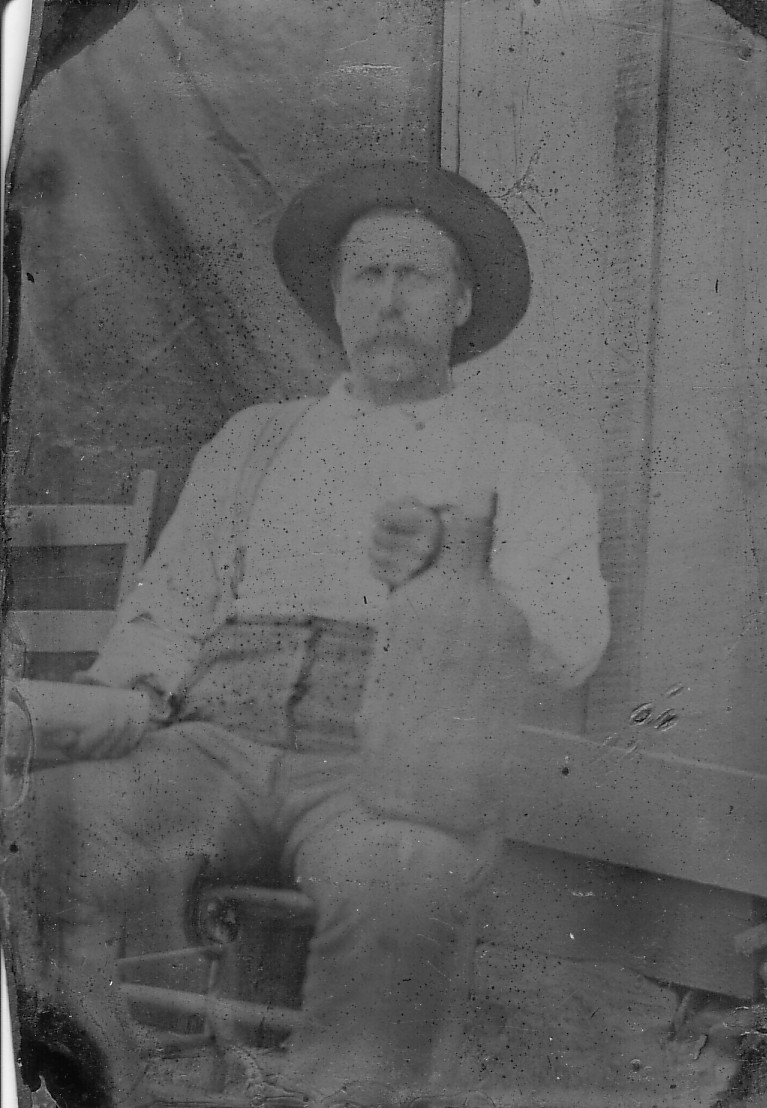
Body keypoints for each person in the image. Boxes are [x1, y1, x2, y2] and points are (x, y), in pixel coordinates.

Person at [9, 159, 610, 1108]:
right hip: (213, 744)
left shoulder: (520, 458)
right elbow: (171, 608)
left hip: (382, 772)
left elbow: (572, 642)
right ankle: (100, 1083)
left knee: (405, 879)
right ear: (334, 300)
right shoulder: (256, 438)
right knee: (44, 824)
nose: (387, 301)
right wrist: (108, 702)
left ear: (459, 302)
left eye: (414, 275)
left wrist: (454, 578)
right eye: (365, 275)